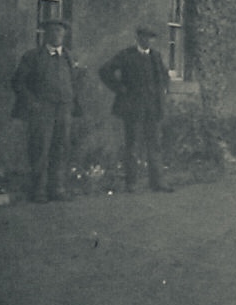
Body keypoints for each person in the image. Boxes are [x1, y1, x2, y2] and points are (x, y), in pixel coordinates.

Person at [11, 19, 82, 202]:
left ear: (64, 35)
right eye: (53, 31)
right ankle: (38, 190)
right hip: (42, 109)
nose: (57, 35)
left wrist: (73, 102)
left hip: (64, 108)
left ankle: (57, 188)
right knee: (40, 148)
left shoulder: (68, 56)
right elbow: (18, 82)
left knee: (60, 148)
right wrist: (32, 103)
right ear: (45, 35)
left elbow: (74, 81)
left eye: (60, 31)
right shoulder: (33, 56)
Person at [99, 27, 174, 193]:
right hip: (133, 108)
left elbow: (164, 76)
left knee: (154, 145)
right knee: (132, 145)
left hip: (153, 109)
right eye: (144, 37)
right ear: (138, 38)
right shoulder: (127, 55)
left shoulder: (155, 56)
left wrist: (163, 89)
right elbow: (105, 70)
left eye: (150, 38)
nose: (147, 41)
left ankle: (157, 182)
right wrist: (120, 88)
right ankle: (131, 183)